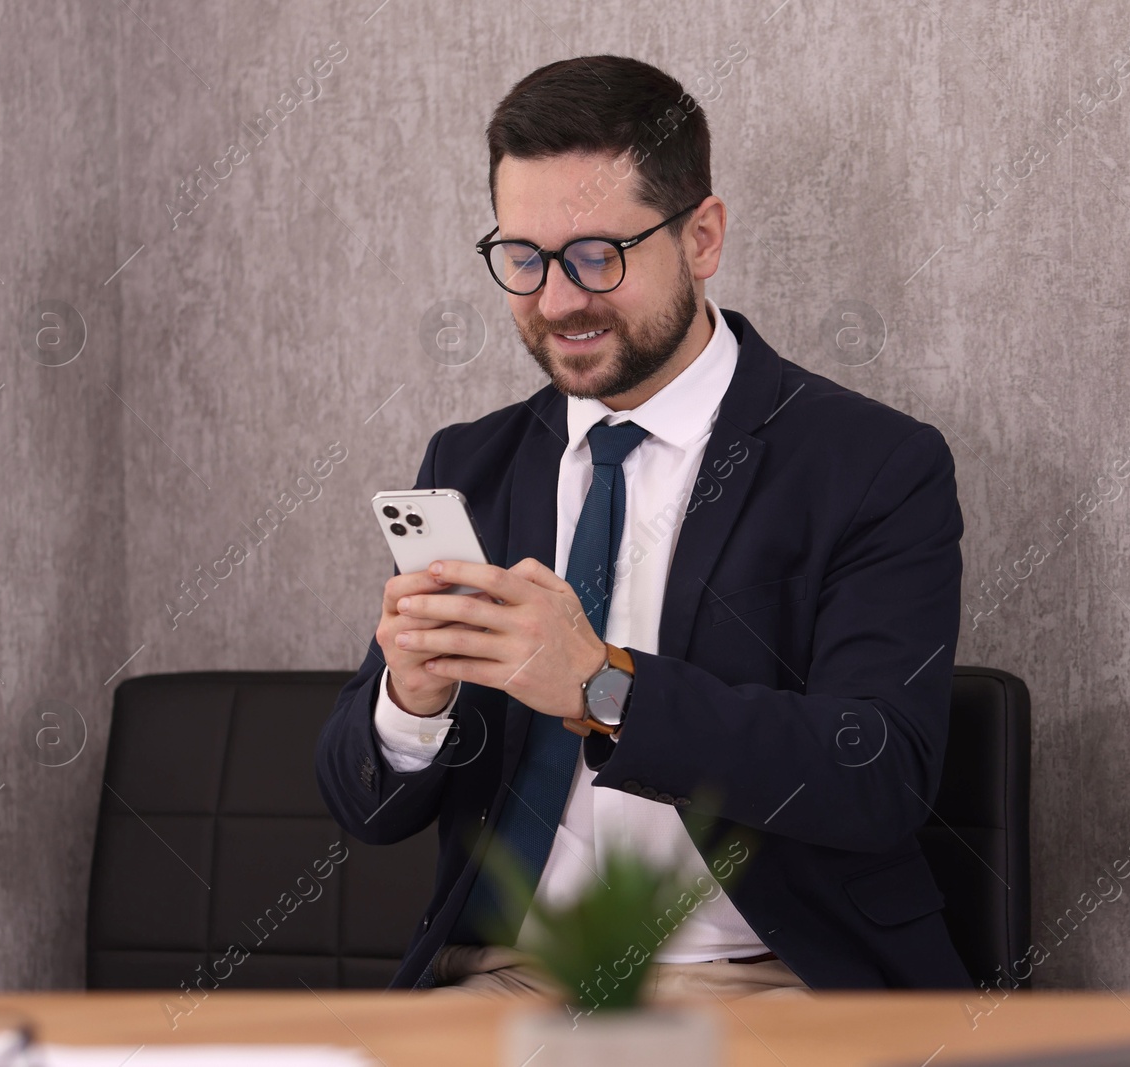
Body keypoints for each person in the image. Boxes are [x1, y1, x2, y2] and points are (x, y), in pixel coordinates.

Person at [314, 53, 971, 999]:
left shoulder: (871, 464)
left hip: (764, 977)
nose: (556, 299)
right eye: (523, 258)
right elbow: (364, 808)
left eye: (596, 256)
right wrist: (410, 705)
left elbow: (880, 774)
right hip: (505, 978)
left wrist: (602, 685)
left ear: (702, 237)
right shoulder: (471, 465)